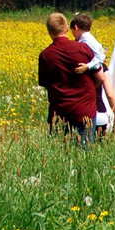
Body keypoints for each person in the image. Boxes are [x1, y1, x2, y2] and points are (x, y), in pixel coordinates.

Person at [37, 12, 97, 145]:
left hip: (59, 112)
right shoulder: (83, 48)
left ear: (49, 32)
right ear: (66, 29)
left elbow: (46, 84)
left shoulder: (45, 56)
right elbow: (99, 76)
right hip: (85, 110)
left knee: (59, 156)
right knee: (84, 157)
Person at [70, 13, 113, 135]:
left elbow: (100, 57)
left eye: (72, 30)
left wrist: (86, 67)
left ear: (76, 27)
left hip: (95, 70)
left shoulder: (88, 40)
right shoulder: (85, 39)